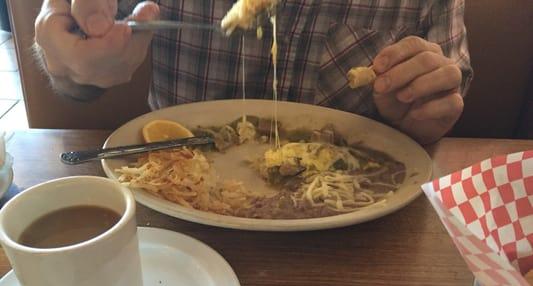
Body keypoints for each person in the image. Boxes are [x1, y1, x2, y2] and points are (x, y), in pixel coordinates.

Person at [34, 0, 473, 144]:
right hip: (173, 199)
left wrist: (423, 108)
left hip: (355, 228)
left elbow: (443, 96)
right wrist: (73, 68)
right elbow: (75, 63)